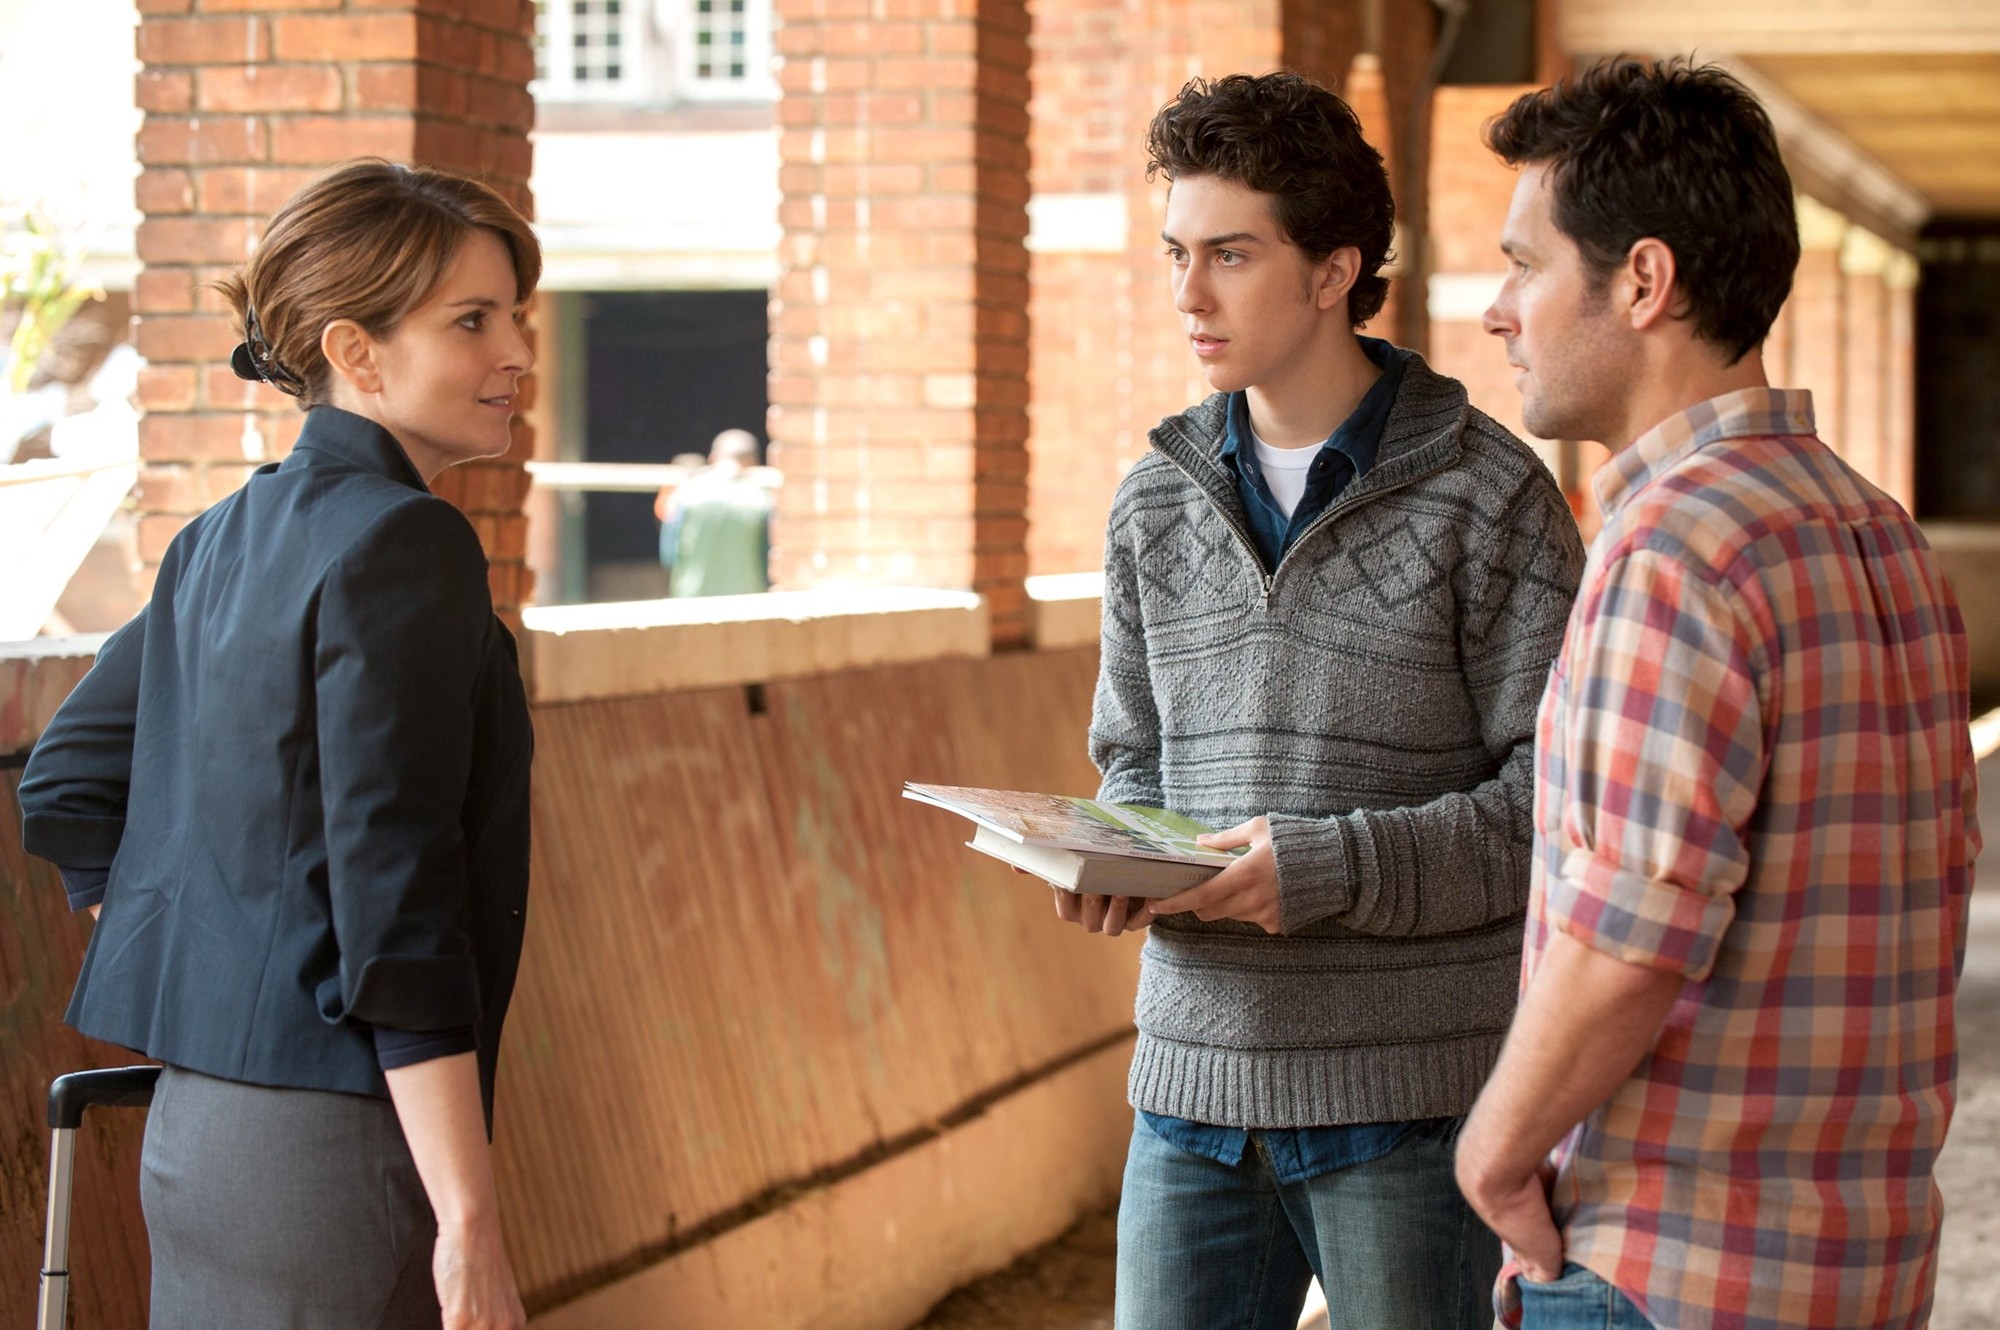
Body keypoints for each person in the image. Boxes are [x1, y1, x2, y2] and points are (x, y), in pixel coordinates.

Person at [1454, 59, 1980, 1330]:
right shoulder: (1874, 531)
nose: (1493, 309)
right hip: (1858, 1263)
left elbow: (1630, 931)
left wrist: (1490, 1154)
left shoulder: (1672, 550)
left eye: (1523, 263)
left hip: (1668, 1270)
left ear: (1642, 281)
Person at [1059, 72, 1585, 1329]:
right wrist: (1114, 847)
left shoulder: (1489, 497)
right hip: (1187, 1089)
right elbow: (1132, 754)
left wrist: (1326, 867)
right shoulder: (1152, 500)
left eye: (1230, 254)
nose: (1188, 294)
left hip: (1406, 1096)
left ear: (1334, 267)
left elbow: (1552, 817)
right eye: (1177, 253)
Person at [19, 159, 540, 1330]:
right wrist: (470, 1218)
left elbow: (65, 783)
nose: (515, 353)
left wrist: (231, 960)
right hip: (336, 1148)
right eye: (472, 321)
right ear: (357, 352)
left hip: (199, 1130)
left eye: (514, 317)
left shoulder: (220, 533)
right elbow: (394, 899)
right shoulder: (407, 543)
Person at [656, 427, 772, 596]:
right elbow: (767, 557)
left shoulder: (685, 495)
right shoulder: (763, 501)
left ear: (713, 458)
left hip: (693, 600)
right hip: (746, 602)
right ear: (752, 461)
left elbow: (669, 555)